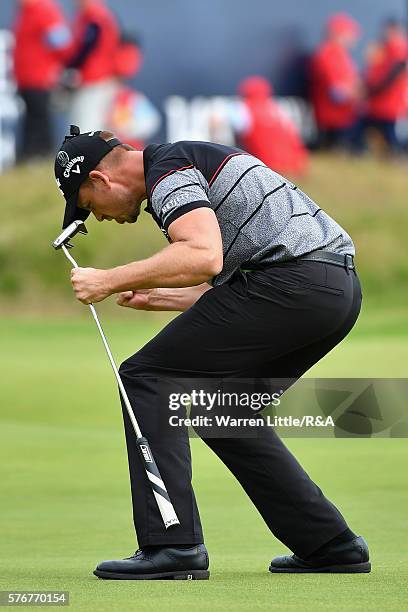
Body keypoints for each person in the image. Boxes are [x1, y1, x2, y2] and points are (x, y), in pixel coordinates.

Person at [53, 126, 370, 579]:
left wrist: (110, 278)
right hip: (332, 291)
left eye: (87, 205)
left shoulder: (168, 169)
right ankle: (328, 543)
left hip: (295, 284)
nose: (97, 217)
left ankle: (173, 545)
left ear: (101, 181)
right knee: (221, 410)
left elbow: (203, 256)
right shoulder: (186, 160)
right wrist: (158, 294)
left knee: (147, 377)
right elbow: (236, 279)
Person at [13, 0, 71, 160]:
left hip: (40, 78)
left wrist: (56, 68)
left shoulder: (44, 10)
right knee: (32, 120)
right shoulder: (26, 11)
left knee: (40, 120)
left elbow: (62, 44)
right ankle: (31, 156)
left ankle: (40, 156)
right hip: (26, 79)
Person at [234, 76, 308, 176]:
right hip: (294, 165)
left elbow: (237, 131)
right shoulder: (278, 108)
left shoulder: (243, 109)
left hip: (264, 166)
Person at [65, 0, 120, 131]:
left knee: (86, 125)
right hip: (101, 77)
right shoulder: (96, 14)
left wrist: (71, 67)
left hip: (94, 79)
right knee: (96, 126)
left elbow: (86, 47)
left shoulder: (95, 16)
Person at [310, 13, 361, 149]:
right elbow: (336, 93)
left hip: (345, 115)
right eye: (349, 34)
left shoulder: (342, 54)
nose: (353, 38)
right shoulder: (327, 54)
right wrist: (359, 94)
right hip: (332, 118)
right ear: (337, 34)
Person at [359, 19, 408, 153]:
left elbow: (392, 76)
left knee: (391, 133)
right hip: (379, 103)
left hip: (390, 102)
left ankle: (397, 154)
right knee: (372, 128)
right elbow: (373, 70)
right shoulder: (383, 48)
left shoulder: (399, 48)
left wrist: (372, 91)